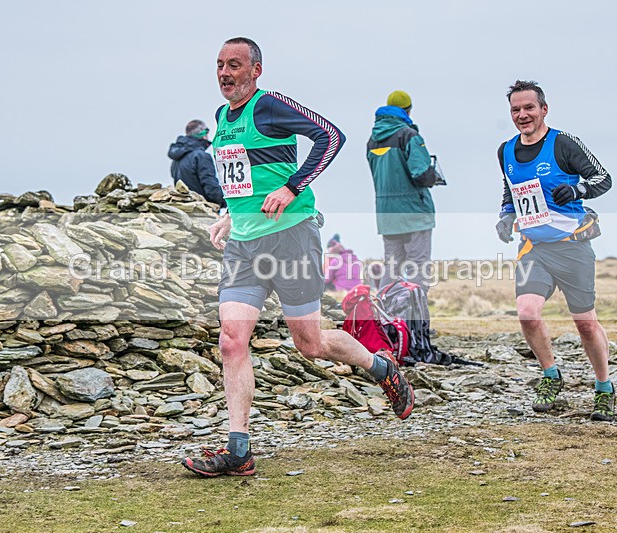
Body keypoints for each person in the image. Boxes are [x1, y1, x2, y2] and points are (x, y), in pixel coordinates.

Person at [182, 37, 415, 478]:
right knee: (232, 340)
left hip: (291, 238)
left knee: (309, 345)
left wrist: (292, 187)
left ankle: (381, 366)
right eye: (219, 65)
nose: (225, 73)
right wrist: (229, 215)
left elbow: (330, 136)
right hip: (244, 246)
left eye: (235, 65)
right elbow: (242, 177)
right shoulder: (220, 117)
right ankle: (239, 450)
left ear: (256, 70)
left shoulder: (269, 106)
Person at [495, 80, 615, 421]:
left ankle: (604, 388)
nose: (522, 115)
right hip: (533, 248)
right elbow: (510, 193)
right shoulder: (505, 150)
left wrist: (576, 189)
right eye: (516, 110)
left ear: (544, 109)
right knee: (527, 312)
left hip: (572, 246)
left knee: (586, 324)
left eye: (529, 108)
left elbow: (603, 179)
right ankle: (550, 375)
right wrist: (505, 217)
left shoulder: (564, 143)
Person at [367, 90, 440, 292]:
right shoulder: (409, 135)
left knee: (391, 269)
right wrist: (433, 175)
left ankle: (385, 320)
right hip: (414, 213)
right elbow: (421, 174)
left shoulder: (372, 141)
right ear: (408, 110)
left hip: (387, 215)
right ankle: (417, 323)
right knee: (418, 268)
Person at [168, 119, 226, 206]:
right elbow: (210, 186)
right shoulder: (201, 156)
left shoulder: (177, 157)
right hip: (202, 209)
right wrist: (225, 202)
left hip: (185, 208)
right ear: (202, 134)